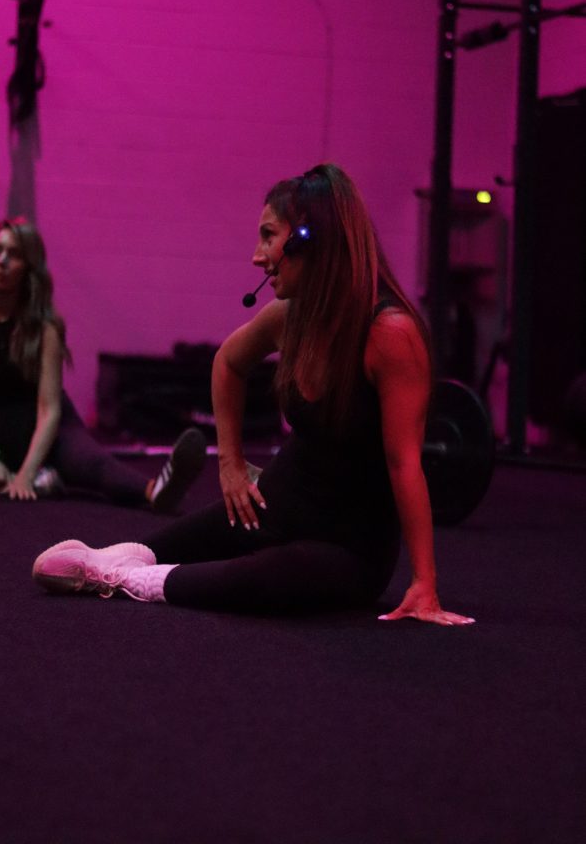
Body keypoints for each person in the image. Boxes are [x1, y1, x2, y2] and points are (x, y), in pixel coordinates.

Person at [32, 165, 474, 625]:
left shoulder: (390, 334)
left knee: (262, 576)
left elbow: (405, 463)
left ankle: (121, 579)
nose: (257, 257)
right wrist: (230, 465)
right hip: (273, 507)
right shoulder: (290, 316)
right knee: (159, 545)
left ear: (308, 238)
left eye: (268, 236)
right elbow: (228, 363)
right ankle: (113, 561)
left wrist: (425, 583)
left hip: (345, 550)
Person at [0, 217, 206, 509]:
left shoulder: (46, 324)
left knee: (91, 463)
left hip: (52, 432)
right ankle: (37, 478)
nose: (2, 261)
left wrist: (25, 475)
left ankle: (156, 491)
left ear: (28, 268)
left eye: (14, 255)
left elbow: (49, 410)